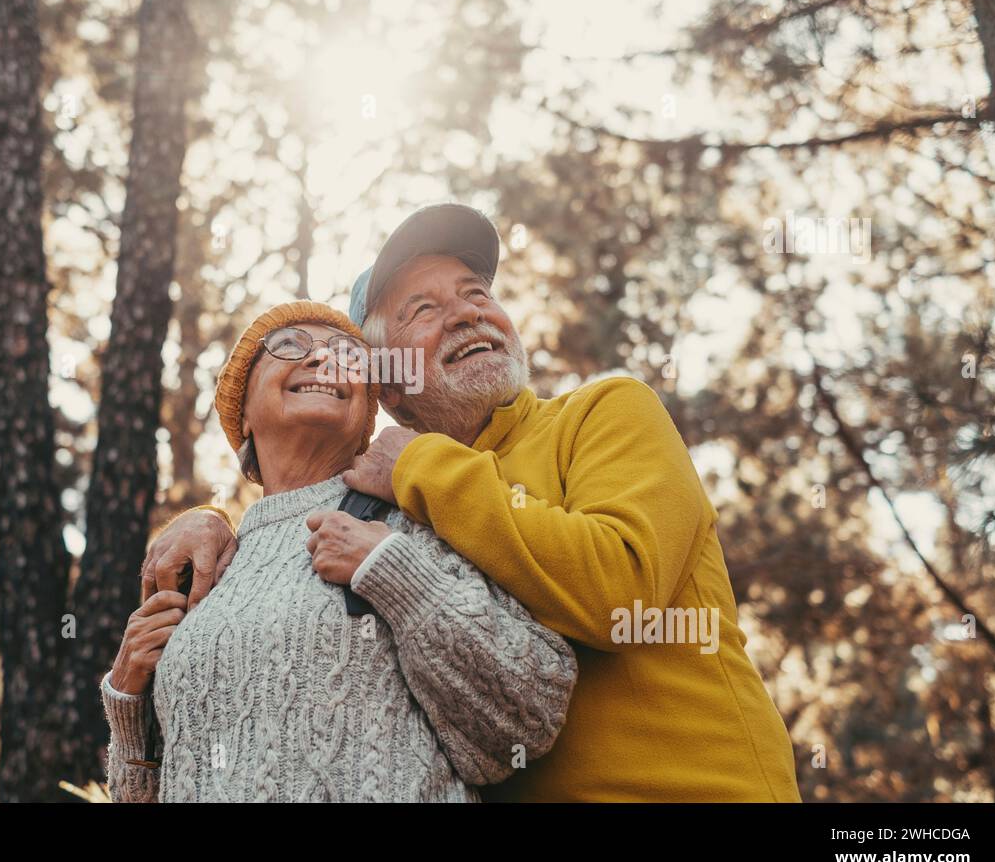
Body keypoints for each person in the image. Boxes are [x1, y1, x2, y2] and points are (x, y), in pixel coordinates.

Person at [148, 205, 803, 802]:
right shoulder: (388, 507)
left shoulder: (605, 413)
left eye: (477, 294)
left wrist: (417, 464)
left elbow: (621, 592)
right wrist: (208, 521)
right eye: (422, 311)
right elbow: (291, 520)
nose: (468, 313)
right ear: (390, 389)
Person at [101, 301, 577, 802]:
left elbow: (530, 715)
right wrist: (128, 706)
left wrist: (396, 572)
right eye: (289, 345)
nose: (324, 360)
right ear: (240, 414)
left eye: (349, 356)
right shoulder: (205, 570)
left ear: (365, 420)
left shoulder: (411, 520)